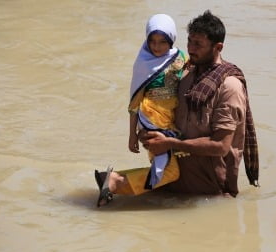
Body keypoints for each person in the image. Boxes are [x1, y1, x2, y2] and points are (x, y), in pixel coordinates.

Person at [96, 10, 259, 206]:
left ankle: (114, 181)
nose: (190, 48)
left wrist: (170, 144)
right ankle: (113, 181)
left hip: (210, 192)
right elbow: (159, 109)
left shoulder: (229, 88)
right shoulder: (184, 75)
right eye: (189, 41)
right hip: (175, 185)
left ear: (218, 47)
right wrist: (145, 133)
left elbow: (221, 146)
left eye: (198, 44)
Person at [95, 14, 187, 207]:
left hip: (172, 124)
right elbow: (134, 104)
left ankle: (111, 177)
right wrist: (132, 135)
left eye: (163, 41)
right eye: (152, 41)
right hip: (152, 124)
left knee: (164, 168)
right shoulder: (143, 64)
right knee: (170, 172)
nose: (156, 46)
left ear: (172, 40)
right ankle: (115, 184)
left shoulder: (182, 58)